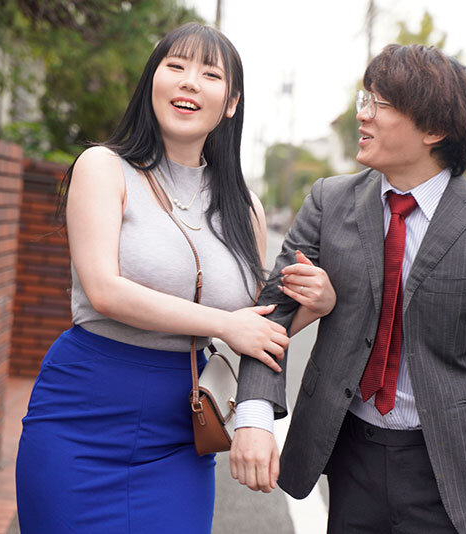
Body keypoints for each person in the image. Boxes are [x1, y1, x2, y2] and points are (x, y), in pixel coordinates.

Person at [231, 44, 466, 534]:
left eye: (379, 104)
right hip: (350, 453)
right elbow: (272, 312)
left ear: (433, 130)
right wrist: (253, 415)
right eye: (365, 99)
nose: (363, 115)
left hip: (452, 467)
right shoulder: (329, 202)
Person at [15, 23, 300, 534]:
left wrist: (312, 307)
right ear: (153, 81)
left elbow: (251, 326)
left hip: (181, 430)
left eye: (210, 74)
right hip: (82, 416)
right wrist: (224, 324)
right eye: (176, 66)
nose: (189, 81)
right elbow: (104, 290)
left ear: (231, 103)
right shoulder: (104, 167)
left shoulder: (245, 208)